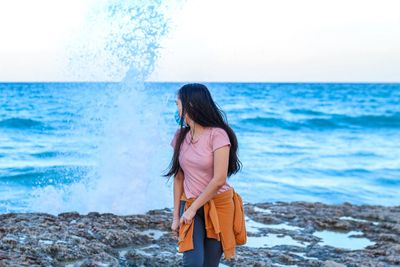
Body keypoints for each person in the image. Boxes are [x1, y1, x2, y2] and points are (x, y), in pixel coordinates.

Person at [163, 83, 244, 267]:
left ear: (190, 105)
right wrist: (176, 216)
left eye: (178, 104)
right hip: (190, 203)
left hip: (219, 205)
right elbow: (178, 178)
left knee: (209, 264)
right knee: (192, 263)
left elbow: (219, 179)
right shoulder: (180, 136)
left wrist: (191, 210)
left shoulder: (218, 135)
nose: (176, 110)